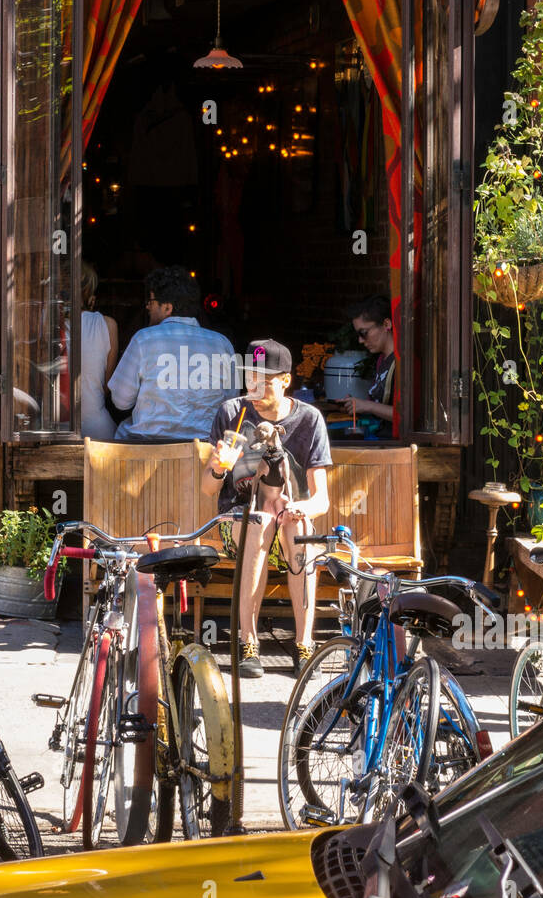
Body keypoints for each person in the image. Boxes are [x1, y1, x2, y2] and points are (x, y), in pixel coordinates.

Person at [202, 339, 332, 678]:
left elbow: (322, 500)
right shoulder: (233, 413)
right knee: (259, 520)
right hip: (238, 522)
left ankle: (304, 645)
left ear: (286, 380)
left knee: (297, 526)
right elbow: (208, 488)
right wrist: (217, 466)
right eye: (250, 377)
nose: (255, 386)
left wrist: (302, 508)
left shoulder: (309, 420)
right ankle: (248, 643)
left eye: (265, 379)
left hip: (288, 524)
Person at [108, 265, 237, 442]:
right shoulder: (223, 344)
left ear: (167, 307)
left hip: (149, 448)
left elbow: (120, 401)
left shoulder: (144, 339)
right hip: (205, 449)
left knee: (121, 430)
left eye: (151, 302)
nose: (147, 307)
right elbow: (231, 403)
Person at [80, 262, 119, 441]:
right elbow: (106, 386)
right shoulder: (107, 325)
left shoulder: (45, 322)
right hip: (97, 428)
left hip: (54, 428)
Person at [350, 293, 395, 437]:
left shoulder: (401, 363)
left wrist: (367, 406)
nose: (360, 340)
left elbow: (409, 415)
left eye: (364, 333)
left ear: (386, 324)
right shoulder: (382, 359)